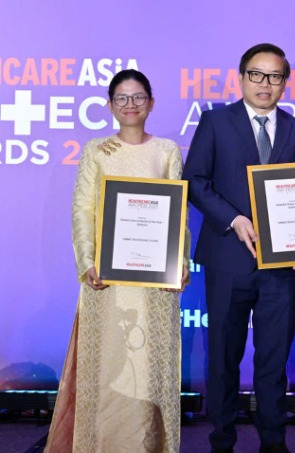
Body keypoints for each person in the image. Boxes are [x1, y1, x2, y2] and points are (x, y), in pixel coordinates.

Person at [45, 69, 189, 453]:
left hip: (154, 284)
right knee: (110, 369)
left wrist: (180, 262)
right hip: (106, 282)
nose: (130, 105)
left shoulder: (167, 151)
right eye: (121, 98)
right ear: (110, 106)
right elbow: (82, 209)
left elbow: (177, 216)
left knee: (148, 371)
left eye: (138, 97)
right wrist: (87, 261)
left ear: (151, 103)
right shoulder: (97, 150)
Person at [183, 43, 295, 453]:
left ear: (285, 83)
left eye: (274, 76)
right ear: (241, 78)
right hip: (227, 259)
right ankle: (222, 440)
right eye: (256, 74)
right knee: (223, 358)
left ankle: (273, 442)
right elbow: (195, 182)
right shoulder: (215, 122)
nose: (265, 83)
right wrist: (233, 219)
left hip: (282, 268)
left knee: (273, 362)